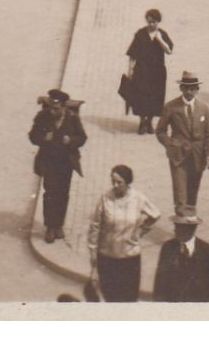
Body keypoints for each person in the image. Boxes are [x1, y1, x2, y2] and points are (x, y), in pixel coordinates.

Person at [86, 164, 160, 302]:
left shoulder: (138, 198)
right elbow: (94, 227)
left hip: (129, 259)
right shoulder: (105, 198)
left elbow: (155, 214)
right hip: (107, 258)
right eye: (113, 181)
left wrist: (140, 231)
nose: (115, 185)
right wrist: (92, 253)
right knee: (110, 297)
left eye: (119, 182)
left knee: (129, 299)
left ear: (127, 182)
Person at [154, 71, 209, 217]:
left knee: (192, 194)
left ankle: (190, 227)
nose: (189, 91)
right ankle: (181, 228)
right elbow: (160, 131)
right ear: (181, 88)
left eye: (192, 88)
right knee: (180, 194)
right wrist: (171, 145)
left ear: (197, 89)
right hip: (178, 157)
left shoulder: (203, 108)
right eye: (186, 88)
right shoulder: (171, 107)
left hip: (198, 155)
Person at [29, 89, 88, 243]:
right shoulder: (43, 117)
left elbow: (82, 137)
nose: (52, 111)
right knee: (50, 194)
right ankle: (50, 226)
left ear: (63, 107)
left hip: (66, 163)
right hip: (48, 162)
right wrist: (43, 138)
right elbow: (32, 136)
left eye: (56, 108)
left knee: (63, 193)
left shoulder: (72, 118)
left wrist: (71, 141)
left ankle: (59, 225)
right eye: (51, 107)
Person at [124, 9, 173, 134]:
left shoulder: (162, 34)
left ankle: (150, 122)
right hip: (142, 71)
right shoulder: (140, 34)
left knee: (155, 97)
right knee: (141, 97)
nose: (151, 24)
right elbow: (132, 54)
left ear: (158, 22)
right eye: (149, 21)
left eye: (154, 22)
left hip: (157, 72)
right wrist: (130, 71)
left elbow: (169, 51)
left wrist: (160, 39)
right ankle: (142, 121)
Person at [153, 214, 209, 302]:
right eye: (176, 226)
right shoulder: (168, 248)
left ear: (191, 230)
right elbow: (160, 283)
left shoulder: (207, 251)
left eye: (180, 228)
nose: (175, 230)